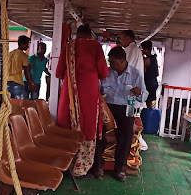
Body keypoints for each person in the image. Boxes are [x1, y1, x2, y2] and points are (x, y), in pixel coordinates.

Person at [56, 24, 109, 177]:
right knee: (87, 124)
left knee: (66, 122)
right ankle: (80, 167)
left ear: (77, 35)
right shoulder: (95, 46)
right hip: (89, 92)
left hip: (70, 91)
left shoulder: (69, 46)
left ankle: (64, 163)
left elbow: (59, 72)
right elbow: (104, 73)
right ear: (90, 35)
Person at [95, 47, 147, 182]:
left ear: (122, 61)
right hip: (107, 107)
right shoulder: (106, 72)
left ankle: (120, 169)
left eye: (113, 62)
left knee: (126, 135)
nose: (110, 65)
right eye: (109, 62)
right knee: (98, 132)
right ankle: (98, 166)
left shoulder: (135, 75)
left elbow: (144, 96)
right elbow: (98, 90)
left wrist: (139, 93)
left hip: (126, 108)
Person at [7, 35, 34, 100]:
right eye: (27, 44)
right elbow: (26, 72)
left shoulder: (10, 53)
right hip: (17, 82)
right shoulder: (23, 56)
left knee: (9, 103)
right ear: (22, 44)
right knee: (17, 104)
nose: (28, 46)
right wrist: (30, 83)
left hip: (7, 81)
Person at [141, 40, 159, 108]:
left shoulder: (148, 59)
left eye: (142, 49)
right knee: (149, 102)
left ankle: (149, 116)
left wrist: (140, 55)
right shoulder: (153, 58)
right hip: (153, 82)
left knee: (149, 102)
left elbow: (141, 64)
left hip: (150, 83)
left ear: (146, 49)